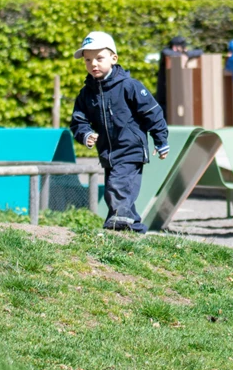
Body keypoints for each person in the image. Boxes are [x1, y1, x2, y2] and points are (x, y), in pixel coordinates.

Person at [70, 31, 170, 232]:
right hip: (108, 151)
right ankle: (133, 228)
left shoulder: (129, 86)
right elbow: (78, 120)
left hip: (130, 148)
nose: (93, 64)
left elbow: (152, 112)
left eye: (99, 58)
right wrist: (86, 134)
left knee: (117, 187)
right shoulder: (86, 93)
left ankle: (118, 222)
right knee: (119, 191)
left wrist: (161, 140)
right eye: (88, 60)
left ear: (113, 59)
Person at [153, 35, 202, 115]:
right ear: (175, 48)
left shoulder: (177, 53)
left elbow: (200, 52)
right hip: (165, 93)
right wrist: (182, 55)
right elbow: (165, 52)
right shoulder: (167, 53)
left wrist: (186, 54)